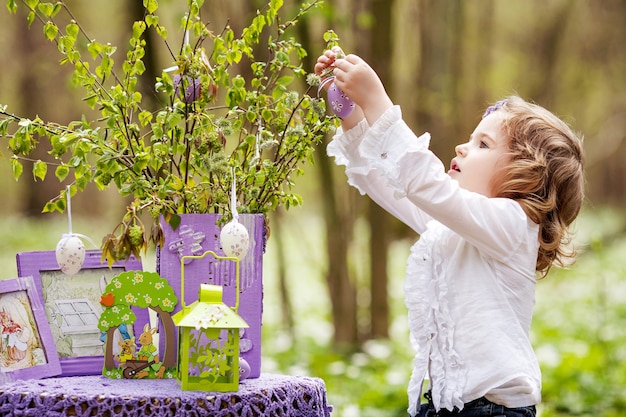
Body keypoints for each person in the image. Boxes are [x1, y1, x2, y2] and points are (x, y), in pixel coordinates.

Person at [315, 47, 584, 417]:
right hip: (446, 405)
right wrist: (352, 110)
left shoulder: (513, 226)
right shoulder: (455, 226)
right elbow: (387, 183)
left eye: (483, 144)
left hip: (494, 411)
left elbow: (422, 181)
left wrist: (378, 100)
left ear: (525, 177)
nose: (462, 146)